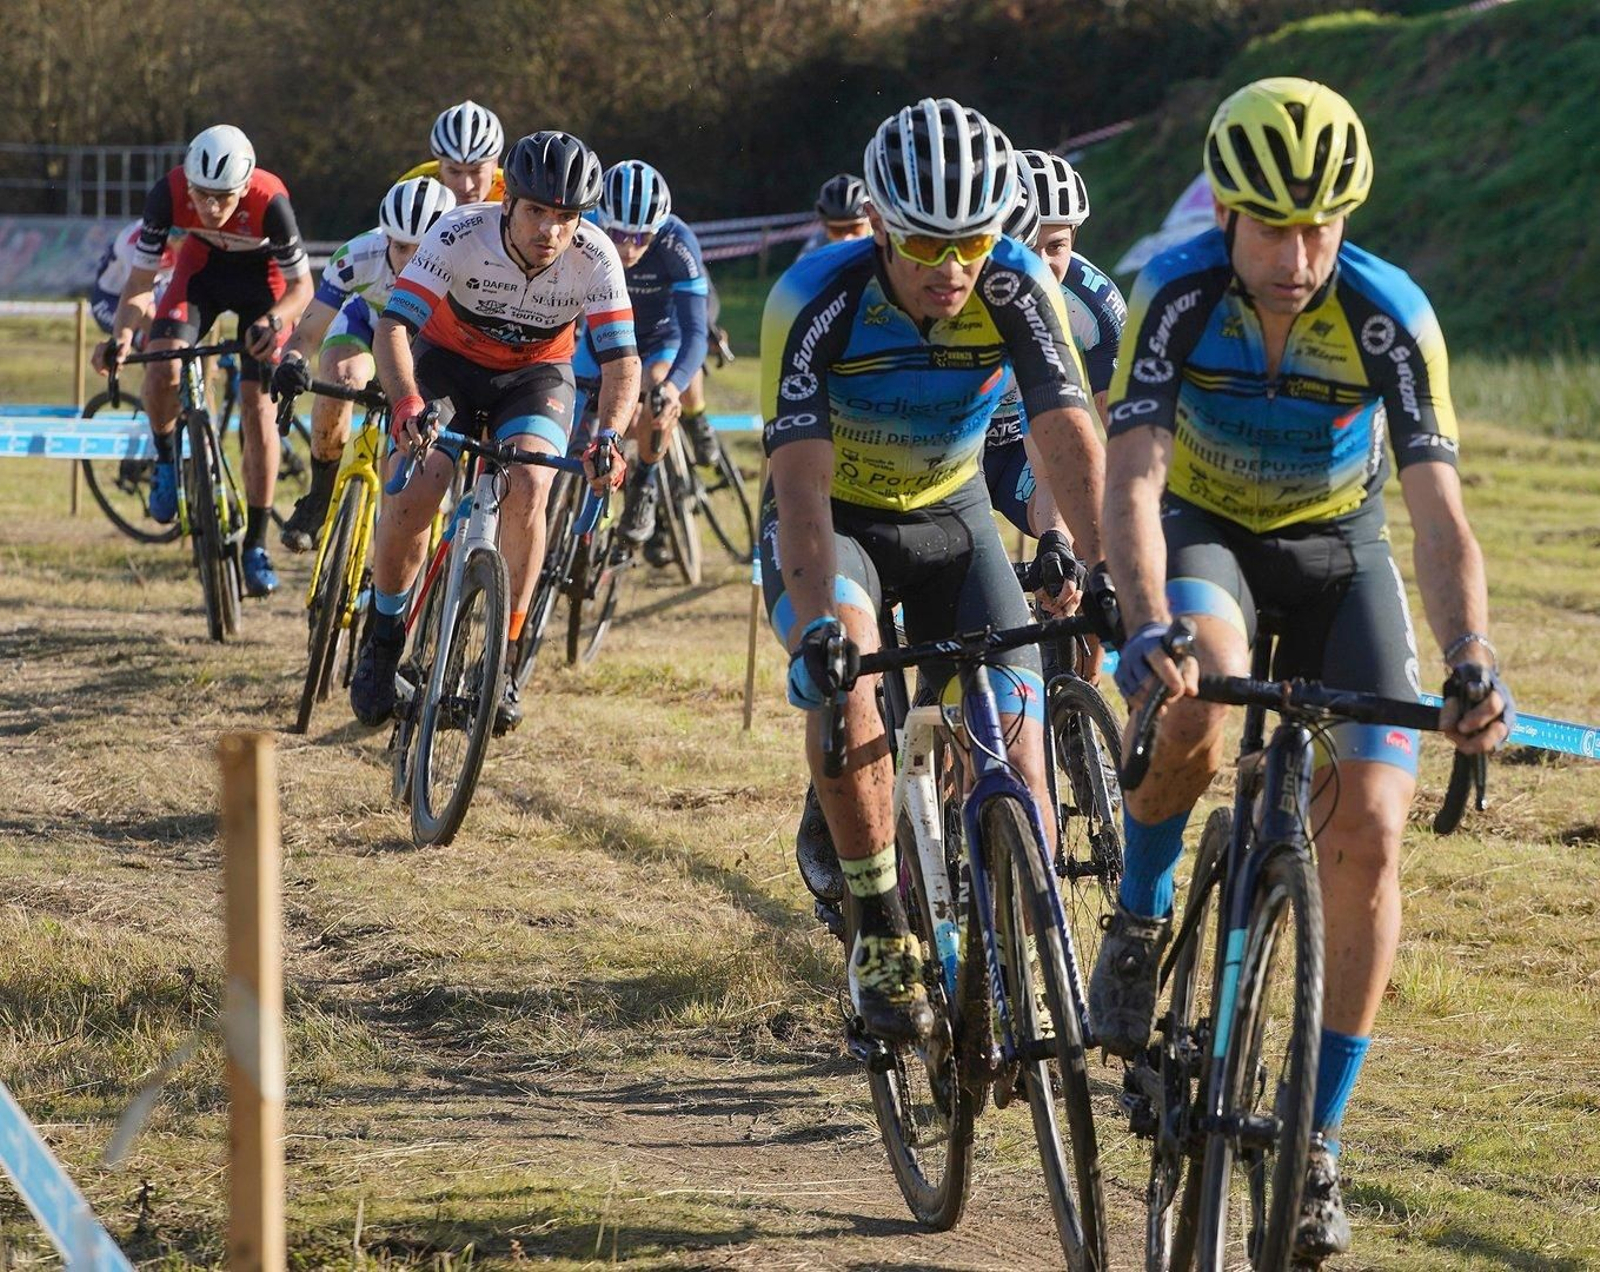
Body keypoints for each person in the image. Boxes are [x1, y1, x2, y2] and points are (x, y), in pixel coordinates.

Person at [1091, 77, 1513, 1261]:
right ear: (1226, 213)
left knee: (1371, 831)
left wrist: (1471, 658)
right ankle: (1139, 911)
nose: (1299, 253)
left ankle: (1313, 1141)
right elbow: (1131, 480)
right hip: (1206, 537)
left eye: (1323, 224)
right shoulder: (1172, 298)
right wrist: (1140, 621)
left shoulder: (1387, 313)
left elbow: (1438, 517)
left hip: (1340, 555)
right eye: (1276, 225)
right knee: (1198, 705)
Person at [761, 97, 1104, 1041]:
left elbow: (1065, 431)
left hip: (953, 516)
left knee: (1020, 746)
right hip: (839, 522)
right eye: (925, 245)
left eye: (973, 243)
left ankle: (1007, 957)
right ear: (878, 227)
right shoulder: (817, 299)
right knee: (850, 672)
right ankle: (876, 923)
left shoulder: (1019, 282)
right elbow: (797, 481)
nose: (952, 270)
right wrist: (819, 622)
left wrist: (1110, 565)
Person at [349, 131, 640, 734]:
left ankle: (504, 656)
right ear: (509, 203)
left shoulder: (597, 256)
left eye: (566, 217)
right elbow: (394, 329)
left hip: (536, 377)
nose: (550, 231)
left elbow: (622, 363)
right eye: (537, 211)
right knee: (422, 481)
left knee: (532, 484)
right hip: (448, 366)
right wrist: (405, 404)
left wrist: (609, 435)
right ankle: (381, 642)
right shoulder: (458, 234)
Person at [92, 124, 312, 597]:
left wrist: (273, 324)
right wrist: (124, 334)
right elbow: (139, 284)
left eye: (224, 198)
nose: (211, 209)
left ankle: (256, 544)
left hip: (264, 284)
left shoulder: (270, 201)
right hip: (202, 270)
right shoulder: (167, 193)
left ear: (245, 185)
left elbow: (302, 290)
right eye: (202, 195)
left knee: (258, 408)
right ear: (187, 181)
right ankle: (167, 457)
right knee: (163, 360)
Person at [272, 177, 457, 550]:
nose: (410, 262)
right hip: (365, 325)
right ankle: (319, 498)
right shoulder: (357, 256)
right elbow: (308, 332)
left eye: (422, 251)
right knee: (342, 376)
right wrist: (291, 361)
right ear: (386, 237)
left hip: (425, 343)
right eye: (402, 247)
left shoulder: (463, 268)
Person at [574, 161, 709, 554]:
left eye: (641, 237)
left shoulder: (677, 242)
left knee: (658, 392)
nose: (629, 247)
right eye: (618, 234)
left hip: (658, 341)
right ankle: (566, 516)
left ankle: (645, 482)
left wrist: (672, 387)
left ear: (659, 229)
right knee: (574, 429)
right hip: (600, 343)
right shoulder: (585, 228)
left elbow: (696, 332)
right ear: (603, 220)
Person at [398, 100, 506, 204]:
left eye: (476, 172)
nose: (465, 186)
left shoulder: (512, 191)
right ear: (440, 166)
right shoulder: (412, 187)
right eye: (454, 171)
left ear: (494, 166)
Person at [88, 219, 175, 336]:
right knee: (151, 339)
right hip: (111, 299)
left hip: (155, 289)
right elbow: (139, 295)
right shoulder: (136, 243)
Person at [796, 173, 871, 257]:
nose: (846, 238)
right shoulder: (816, 246)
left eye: (855, 229)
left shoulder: (884, 239)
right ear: (826, 229)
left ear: (871, 222)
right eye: (837, 231)